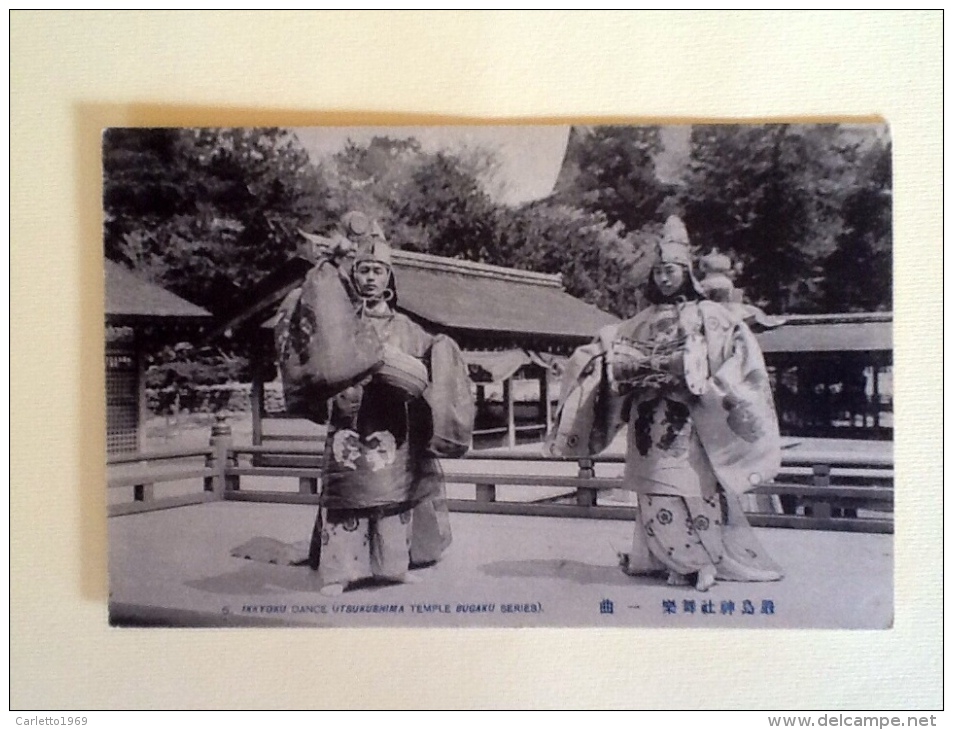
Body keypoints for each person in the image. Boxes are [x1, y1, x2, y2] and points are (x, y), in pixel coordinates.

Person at [549, 216, 783, 592]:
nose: (663, 278)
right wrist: (586, 363)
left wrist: (703, 382)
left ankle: (701, 561)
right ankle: (667, 560)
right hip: (647, 418)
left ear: (686, 273)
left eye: (670, 270)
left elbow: (738, 354)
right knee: (654, 492)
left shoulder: (708, 315)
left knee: (691, 489)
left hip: (689, 418)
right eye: (658, 271)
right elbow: (608, 346)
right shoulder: (639, 320)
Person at [305, 212, 468, 596]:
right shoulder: (340, 322)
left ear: (389, 278)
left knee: (394, 498)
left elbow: (431, 357)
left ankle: (393, 567)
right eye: (364, 270)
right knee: (348, 496)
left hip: (392, 422)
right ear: (355, 275)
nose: (371, 278)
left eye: (379, 271)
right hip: (350, 419)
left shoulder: (408, 328)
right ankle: (341, 574)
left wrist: (440, 354)